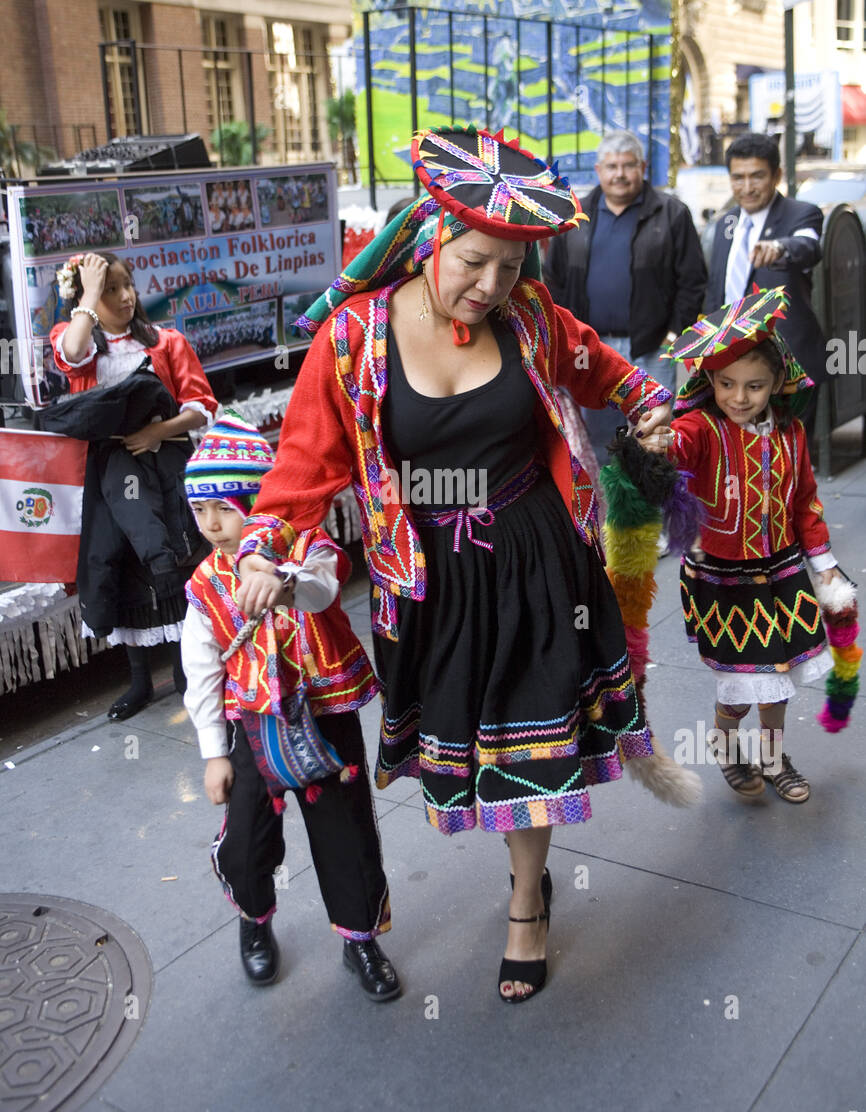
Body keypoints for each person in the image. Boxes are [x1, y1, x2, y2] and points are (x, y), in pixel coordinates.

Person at [232, 125, 688, 1005]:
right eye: (475, 262)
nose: (489, 287)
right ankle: (525, 872)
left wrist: (651, 407)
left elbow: (605, 371)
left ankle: (527, 903)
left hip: (536, 554)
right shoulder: (353, 339)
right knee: (477, 753)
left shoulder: (531, 318)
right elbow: (303, 466)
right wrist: (262, 549)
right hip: (430, 579)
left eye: (511, 270)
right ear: (434, 237)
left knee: (539, 736)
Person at [181, 414, 399, 998]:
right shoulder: (205, 585)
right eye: (200, 511)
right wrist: (212, 754)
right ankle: (255, 923)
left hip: (324, 713)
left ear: (260, 497)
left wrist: (284, 578)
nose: (213, 525)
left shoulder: (308, 545)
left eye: (226, 507)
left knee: (344, 829)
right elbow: (201, 669)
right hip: (253, 726)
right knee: (248, 832)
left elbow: (326, 587)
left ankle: (360, 939)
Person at [639, 289, 848, 804]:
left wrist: (824, 567)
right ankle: (726, 741)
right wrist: (660, 439)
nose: (739, 396)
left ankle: (774, 757)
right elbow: (678, 444)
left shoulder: (792, 433)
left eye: (754, 385)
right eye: (726, 383)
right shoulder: (701, 429)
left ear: (778, 381)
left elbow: (805, 504)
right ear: (709, 380)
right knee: (742, 687)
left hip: (784, 573)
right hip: (723, 581)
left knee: (779, 682)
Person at [49, 251, 216, 721]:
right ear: (87, 299)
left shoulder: (167, 342)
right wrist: (87, 293)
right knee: (121, 565)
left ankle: (190, 675)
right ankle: (140, 681)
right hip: (110, 477)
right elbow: (72, 352)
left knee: (175, 562)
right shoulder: (75, 341)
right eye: (111, 290)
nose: (126, 298)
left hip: (166, 471)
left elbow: (202, 405)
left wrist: (154, 433)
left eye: (128, 286)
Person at [543, 129, 706, 464]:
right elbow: (553, 280)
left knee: (653, 438)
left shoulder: (671, 213)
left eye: (628, 165)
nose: (620, 174)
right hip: (591, 349)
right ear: (599, 170)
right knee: (601, 440)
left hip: (650, 346)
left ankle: (655, 511)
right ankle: (609, 510)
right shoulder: (575, 217)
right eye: (612, 166)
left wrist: (675, 334)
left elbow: (692, 279)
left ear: (643, 167)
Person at [706, 132, 824, 434]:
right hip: (733, 366)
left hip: (788, 365)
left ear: (777, 175)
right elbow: (717, 290)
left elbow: (808, 245)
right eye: (738, 177)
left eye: (757, 176)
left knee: (790, 459)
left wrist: (780, 248)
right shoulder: (725, 223)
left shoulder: (802, 214)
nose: (746, 188)